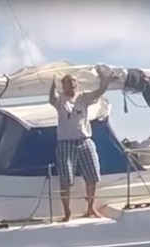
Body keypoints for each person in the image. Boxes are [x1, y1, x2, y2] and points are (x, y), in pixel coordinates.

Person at [48, 68, 117, 221]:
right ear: (63, 85)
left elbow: (98, 93)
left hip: (84, 140)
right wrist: (52, 85)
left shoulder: (83, 98)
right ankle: (67, 212)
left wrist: (106, 83)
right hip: (66, 143)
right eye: (68, 81)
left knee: (92, 175)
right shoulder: (60, 100)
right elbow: (51, 98)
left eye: (74, 81)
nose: (72, 84)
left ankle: (90, 208)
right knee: (66, 179)